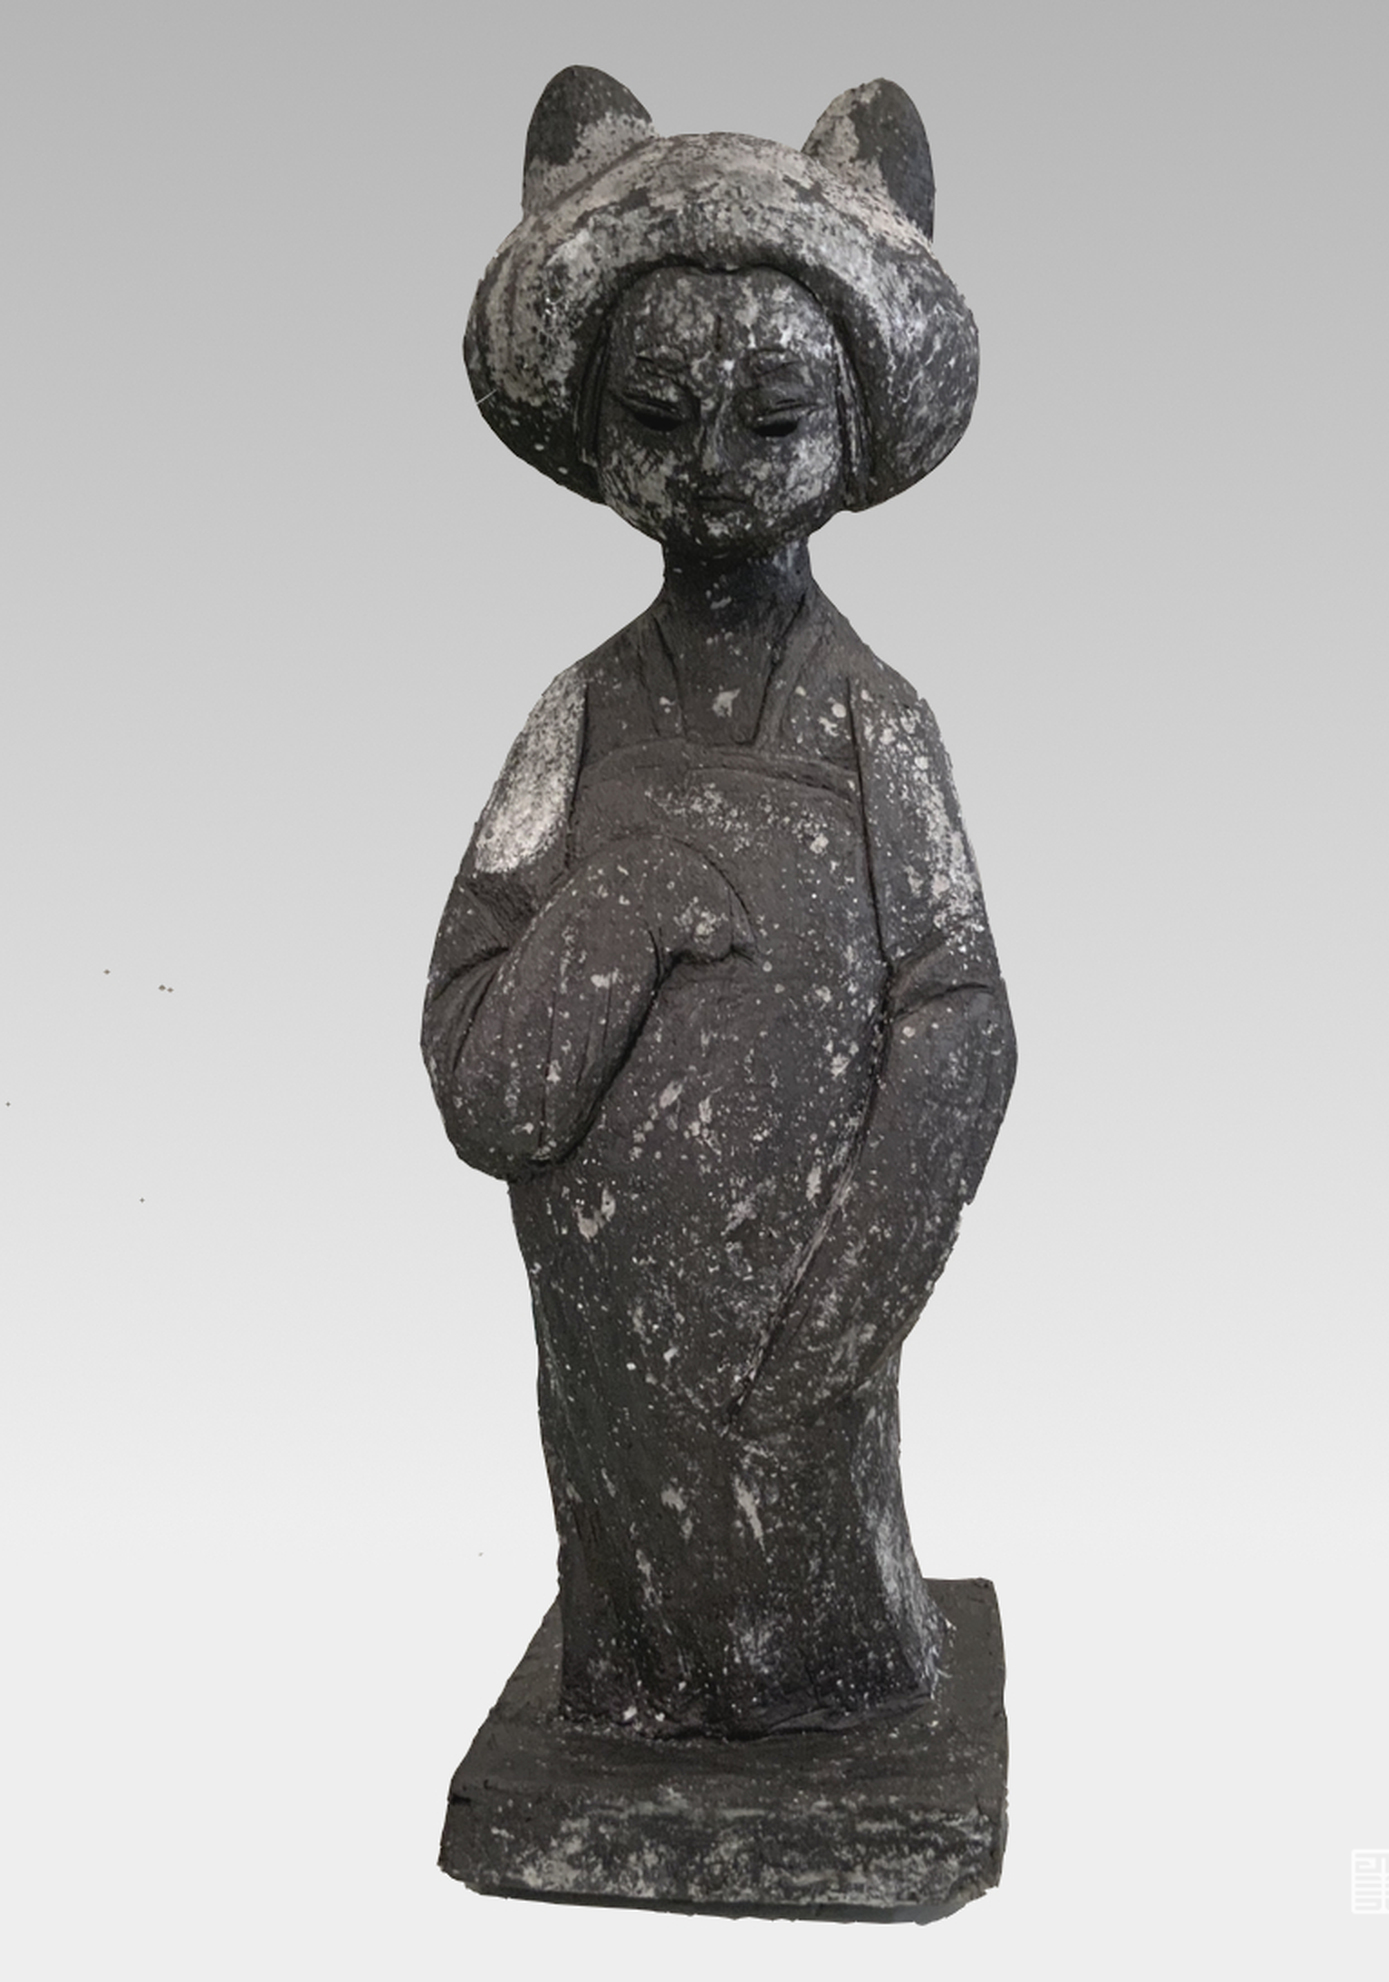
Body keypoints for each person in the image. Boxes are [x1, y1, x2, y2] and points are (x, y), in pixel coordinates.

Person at [423, 70, 1017, 1736]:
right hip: (611, 1343)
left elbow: (962, 1019)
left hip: (810, 1314)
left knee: (824, 1648)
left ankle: (839, 1707)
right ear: (597, 425)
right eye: (662, 411)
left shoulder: (873, 721)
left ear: (849, 428)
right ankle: (633, 1695)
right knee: (640, 1654)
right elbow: (475, 1065)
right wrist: (613, 913)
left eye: (770, 419)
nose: (711, 467)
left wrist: (848, 1297)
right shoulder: (577, 720)